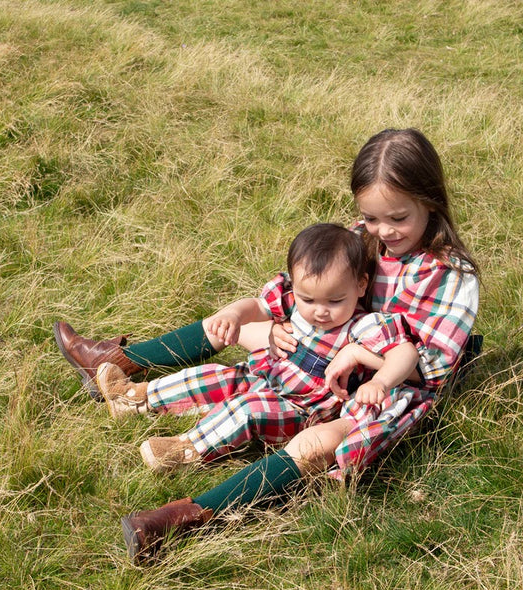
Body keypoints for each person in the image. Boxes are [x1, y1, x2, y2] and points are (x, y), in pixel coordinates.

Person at [111, 127, 481, 564]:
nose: (383, 230)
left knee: (316, 444)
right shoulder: (363, 237)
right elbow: (305, 287)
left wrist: (360, 356)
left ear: (430, 201)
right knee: (235, 325)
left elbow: (429, 370)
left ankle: (181, 520)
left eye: (398, 218)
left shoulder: (450, 274)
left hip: (386, 388)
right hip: (319, 355)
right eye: (371, 216)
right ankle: (119, 363)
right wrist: (274, 328)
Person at [94, 223, 419, 473]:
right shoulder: (293, 299)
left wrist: (379, 381)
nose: (320, 310)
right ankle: (136, 399)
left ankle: (188, 449)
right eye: (309, 299)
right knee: (213, 377)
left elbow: (405, 353)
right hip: (263, 372)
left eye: (335, 300)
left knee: (249, 410)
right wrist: (233, 314)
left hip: (300, 408)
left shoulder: (363, 325)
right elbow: (258, 305)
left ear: (360, 285)